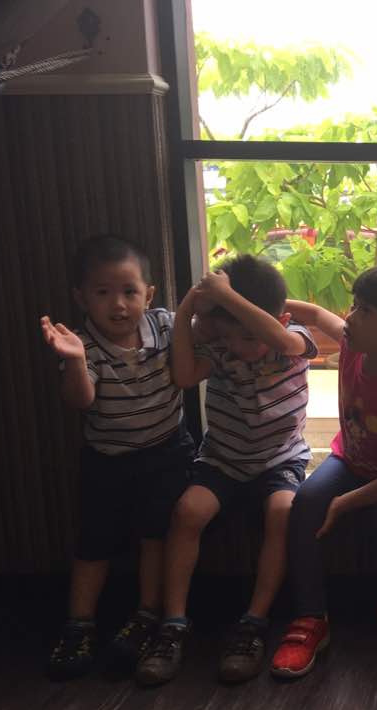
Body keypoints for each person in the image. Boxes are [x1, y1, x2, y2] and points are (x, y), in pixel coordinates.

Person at [135, 255, 318, 686]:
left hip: (281, 458)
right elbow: (184, 376)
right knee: (187, 512)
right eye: (228, 334)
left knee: (283, 513)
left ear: (279, 319)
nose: (238, 346)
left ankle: (254, 621)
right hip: (223, 458)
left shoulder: (293, 340)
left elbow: (276, 335)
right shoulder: (222, 349)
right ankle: (173, 623)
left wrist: (226, 296)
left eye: (247, 335)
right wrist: (188, 308)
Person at [269, 267, 377, 679]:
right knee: (306, 504)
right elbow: (312, 313)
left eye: (365, 311)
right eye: (355, 305)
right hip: (350, 460)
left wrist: (344, 503)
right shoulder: (352, 344)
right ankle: (311, 615)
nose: (350, 317)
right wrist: (262, 302)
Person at [40, 235, 194, 679]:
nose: (118, 304)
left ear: (149, 293)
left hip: (166, 452)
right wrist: (73, 360)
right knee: (95, 540)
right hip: (107, 461)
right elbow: (81, 401)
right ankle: (79, 625)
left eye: (129, 291)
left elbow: (199, 338)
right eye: (103, 292)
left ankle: (146, 616)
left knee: (155, 535)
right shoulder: (81, 343)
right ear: (81, 298)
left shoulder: (164, 326)